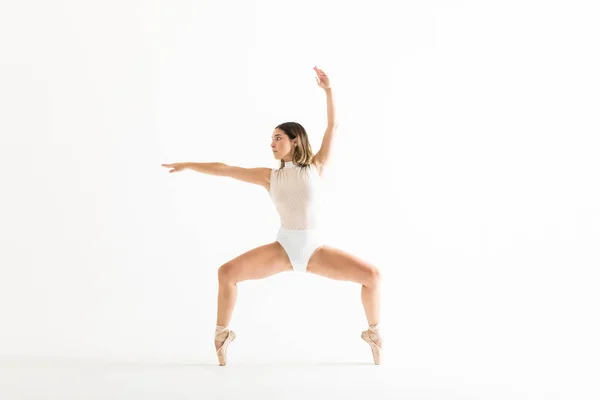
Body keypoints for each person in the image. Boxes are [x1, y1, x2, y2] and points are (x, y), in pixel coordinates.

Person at [161, 66, 382, 366]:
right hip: (283, 250)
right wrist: (188, 164)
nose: (272, 143)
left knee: (372, 276)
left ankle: (374, 334)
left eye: (278, 138)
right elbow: (224, 169)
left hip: (316, 250)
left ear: (295, 140)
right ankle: (221, 335)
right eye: (272, 139)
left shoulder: (316, 167)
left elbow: (333, 128)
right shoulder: (269, 177)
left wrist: (329, 91)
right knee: (226, 274)